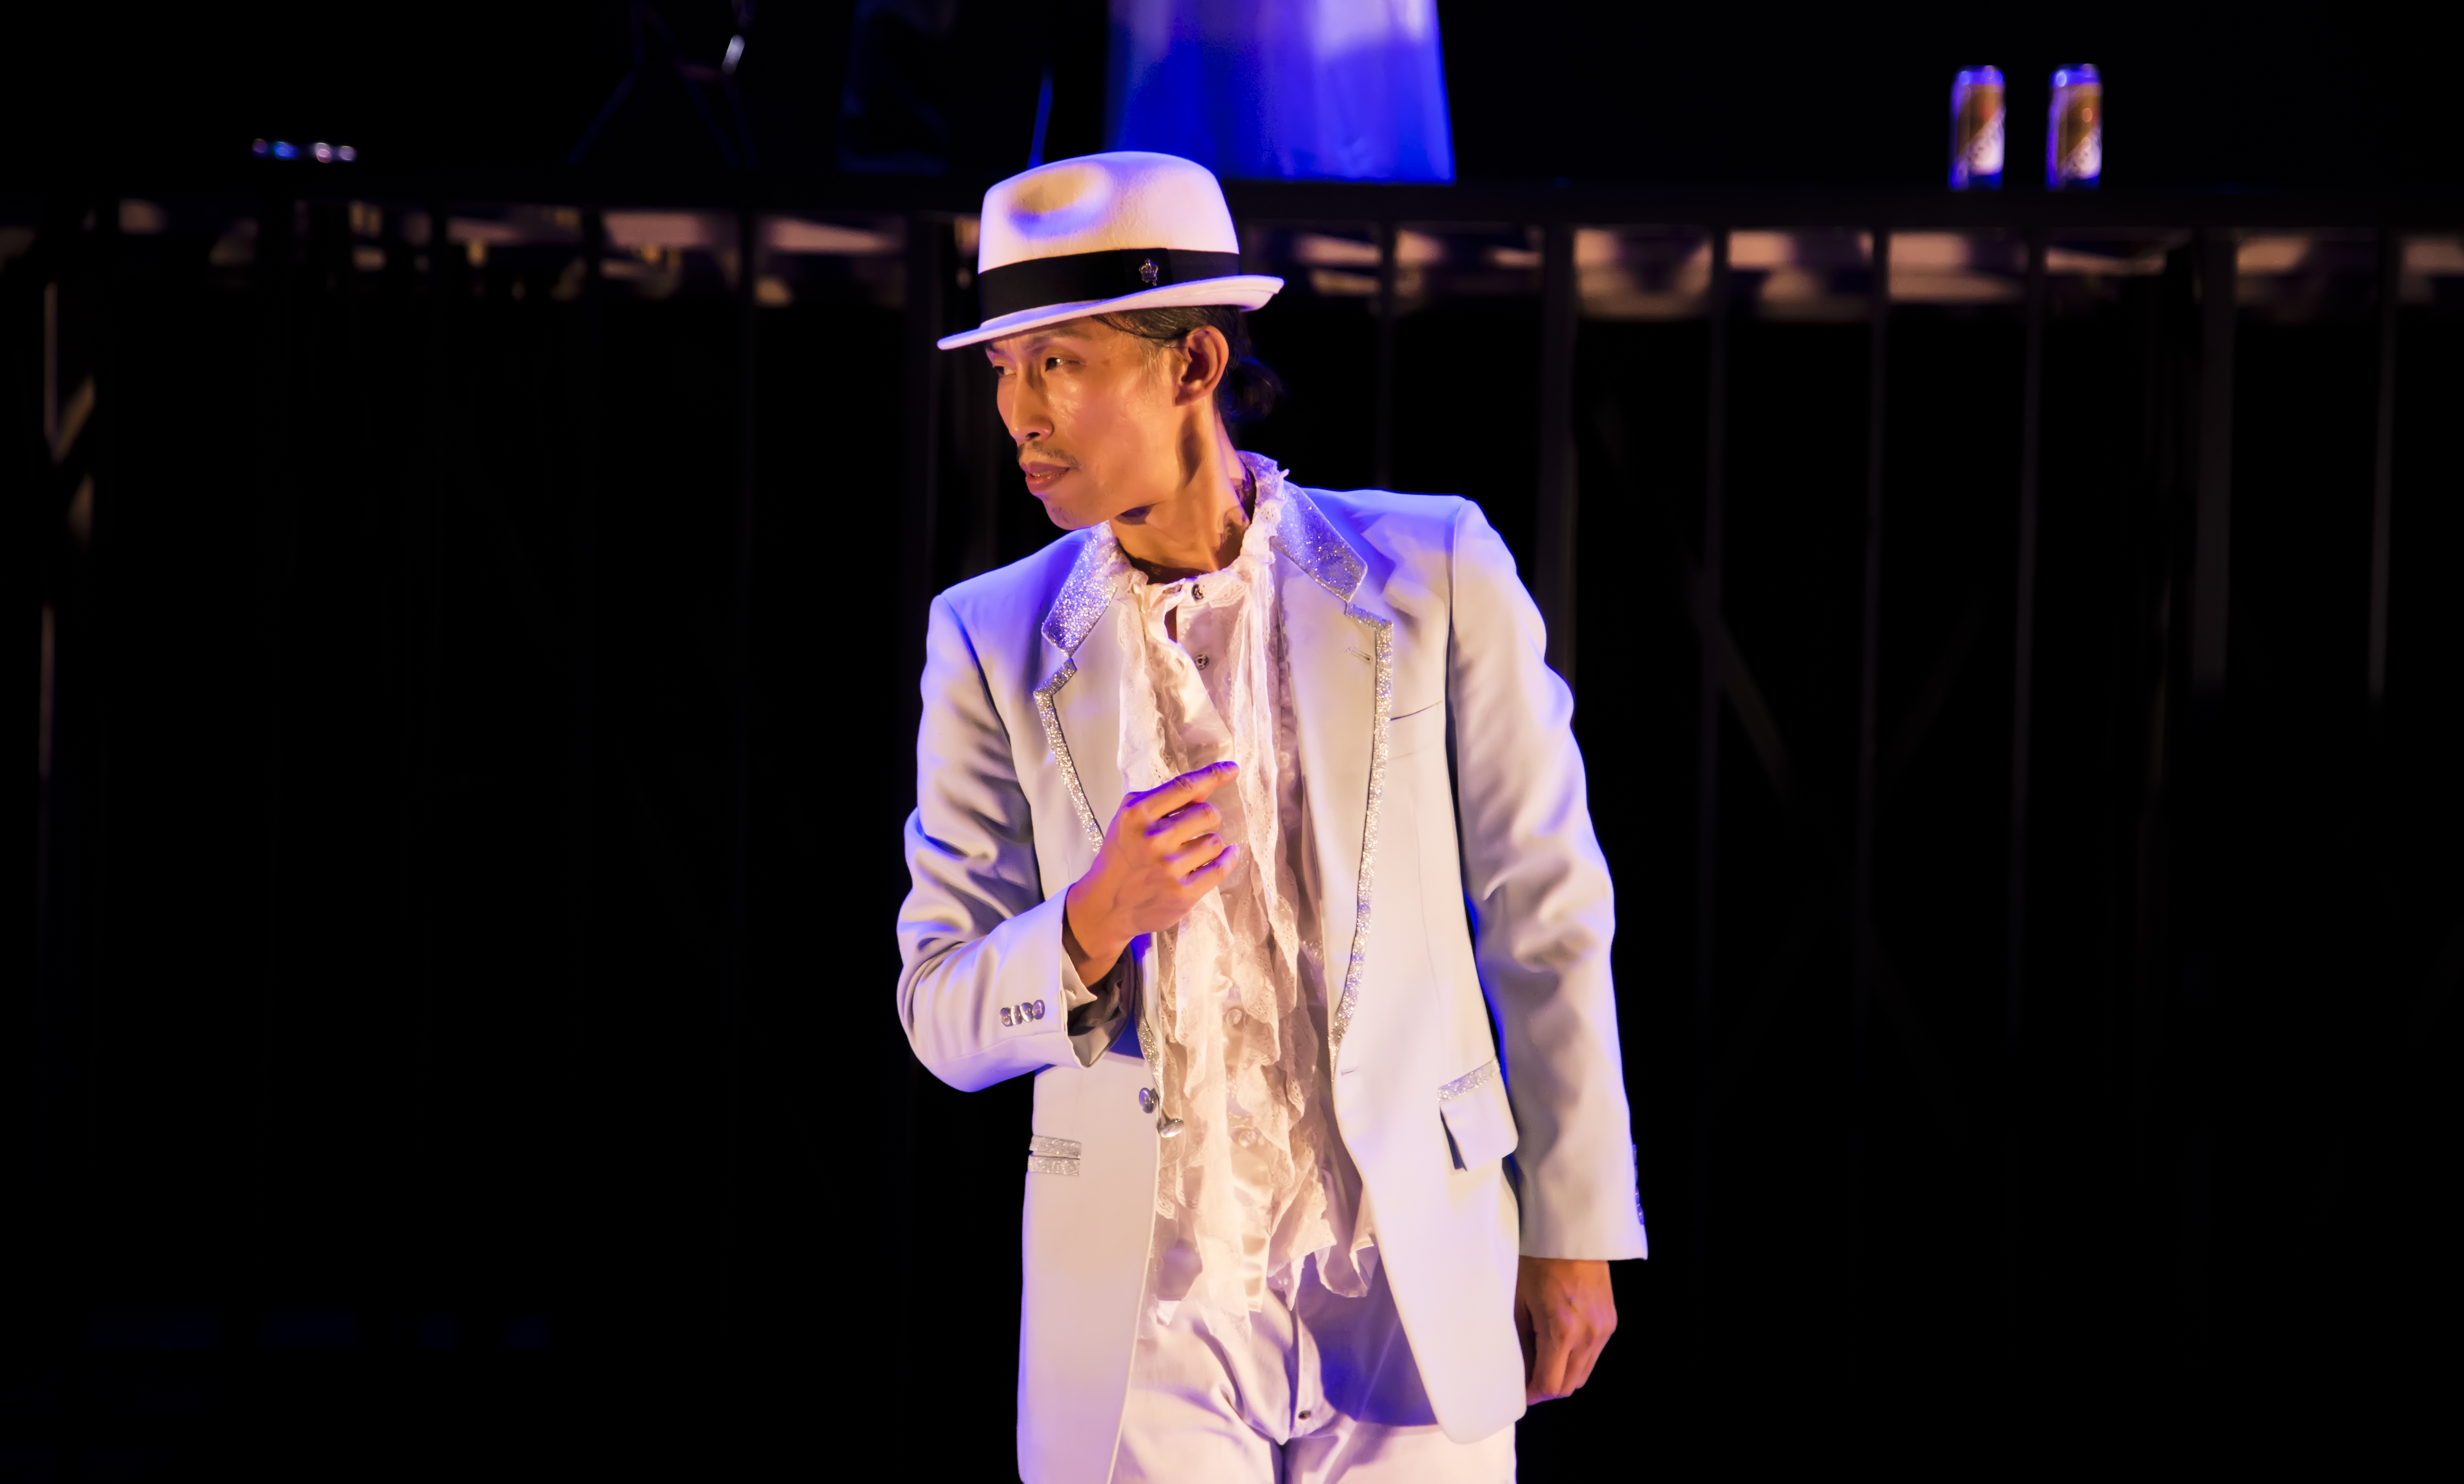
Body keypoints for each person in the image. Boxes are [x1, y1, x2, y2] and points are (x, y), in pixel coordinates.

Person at [897, 151, 1645, 1484]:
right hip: (1149, 1311)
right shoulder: (991, 638)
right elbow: (939, 1010)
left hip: (1406, 1278)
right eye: (1004, 368)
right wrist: (1088, 924)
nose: (1019, 413)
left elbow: (1546, 907)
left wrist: (1574, 1222)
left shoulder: (1432, 569)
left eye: (1059, 363)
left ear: (1193, 363)